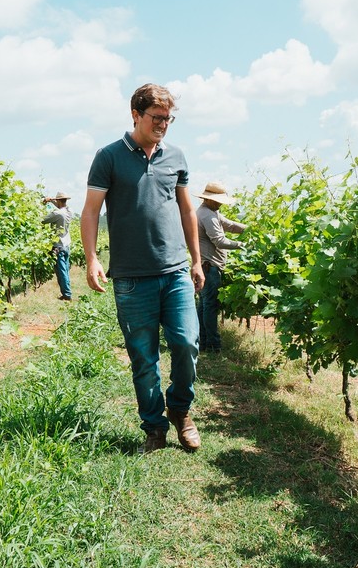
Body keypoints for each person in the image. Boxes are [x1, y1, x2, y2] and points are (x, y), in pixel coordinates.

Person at [80, 83, 205, 454]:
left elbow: (186, 210)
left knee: (186, 343)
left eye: (168, 118)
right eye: (157, 117)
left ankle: (180, 410)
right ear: (135, 114)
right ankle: (154, 426)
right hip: (132, 278)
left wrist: (196, 260)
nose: (163, 124)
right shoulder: (109, 157)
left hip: (174, 271)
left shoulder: (177, 156)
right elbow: (90, 211)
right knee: (144, 359)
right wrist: (91, 259)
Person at [195, 181, 245, 354]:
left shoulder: (211, 212)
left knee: (204, 305)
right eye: (218, 200)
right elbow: (219, 241)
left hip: (208, 267)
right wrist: (243, 245)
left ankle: (202, 342)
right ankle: (213, 345)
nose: (220, 203)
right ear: (208, 199)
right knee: (209, 306)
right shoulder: (207, 215)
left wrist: (249, 229)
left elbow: (228, 225)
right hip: (210, 268)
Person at [43, 192, 73, 301]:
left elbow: (42, 220)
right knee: (65, 269)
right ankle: (67, 291)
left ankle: (66, 295)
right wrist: (51, 200)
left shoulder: (57, 214)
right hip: (66, 244)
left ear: (59, 201)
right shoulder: (69, 211)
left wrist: (44, 204)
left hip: (58, 246)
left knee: (61, 272)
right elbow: (60, 206)